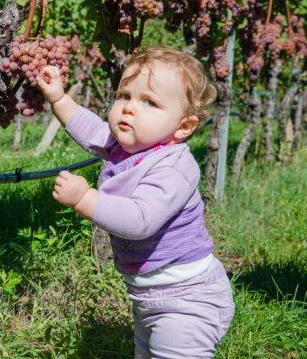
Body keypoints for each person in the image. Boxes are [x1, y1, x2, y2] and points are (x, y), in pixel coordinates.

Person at [35, 47, 235, 359]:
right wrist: (59, 99)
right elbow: (90, 130)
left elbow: (140, 220)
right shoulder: (126, 148)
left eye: (149, 102)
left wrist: (85, 198)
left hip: (189, 300)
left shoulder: (174, 167)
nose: (129, 108)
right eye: (124, 95)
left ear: (183, 127)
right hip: (147, 295)